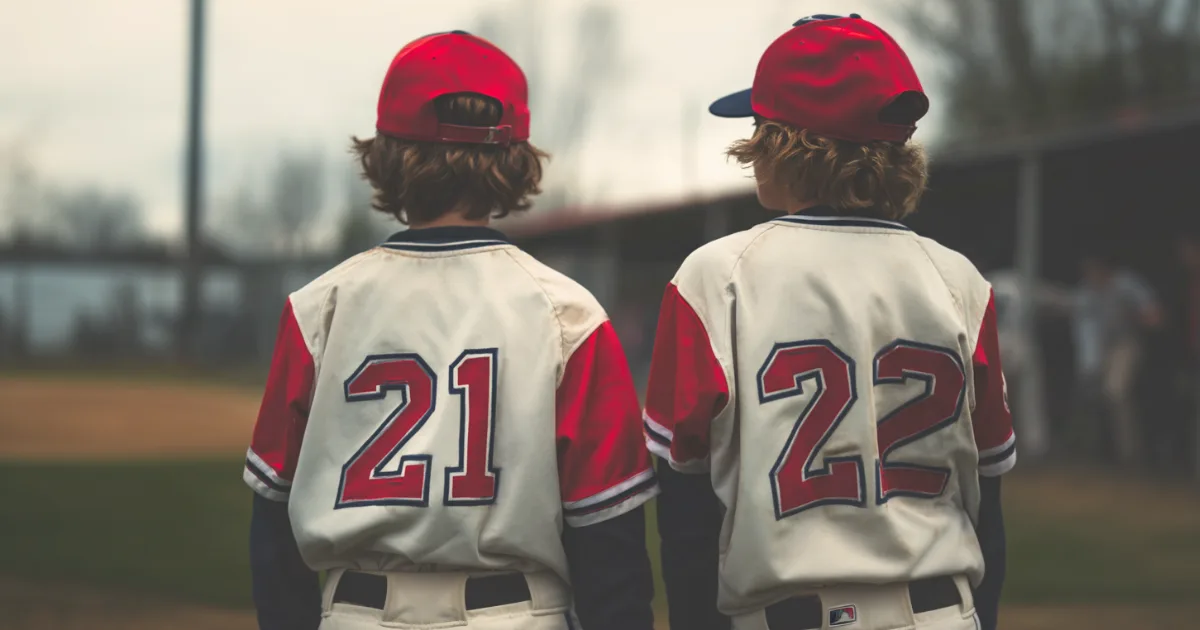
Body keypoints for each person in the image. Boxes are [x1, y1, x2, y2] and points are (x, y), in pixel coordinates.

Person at [243, 31, 657, 630]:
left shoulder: (318, 308)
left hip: (357, 613)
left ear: (384, 152)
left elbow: (273, 532)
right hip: (516, 614)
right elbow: (609, 544)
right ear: (515, 157)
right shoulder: (569, 315)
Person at [643, 14, 1014, 630]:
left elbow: (685, 515)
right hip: (942, 614)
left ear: (789, 141)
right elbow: (988, 508)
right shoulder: (961, 281)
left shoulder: (715, 275)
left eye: (761, 124)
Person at [1069, 251, 1161, 467]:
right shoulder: (1085, 291)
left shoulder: (1125, 284)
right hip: (1098, 347)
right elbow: (1080, 322)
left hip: (1125, 344)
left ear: (1104, 268)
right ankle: (1093, 449)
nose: (1089, 274)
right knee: (1090, 393)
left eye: (1093, 268)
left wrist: (1145, 316)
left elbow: (1154, 313)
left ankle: (1129, 454)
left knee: (1115, 391)